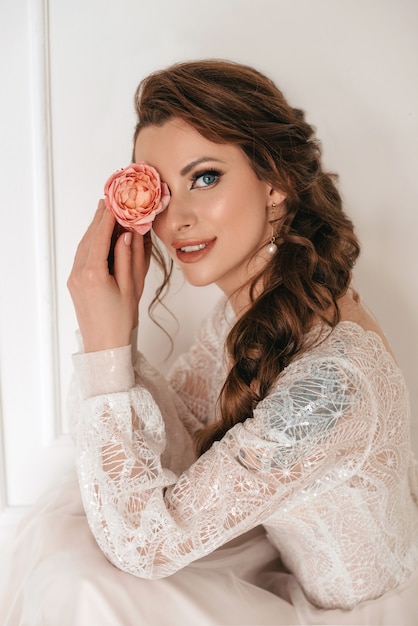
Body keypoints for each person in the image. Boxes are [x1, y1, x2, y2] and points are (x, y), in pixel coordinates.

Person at [1, 59, 418, 626]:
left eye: (205, 177)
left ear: (276, 183)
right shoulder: (252, 310)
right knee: (67, 546)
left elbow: (144, 545)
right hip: (282, 562)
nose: (178, 221)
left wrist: (103, 352)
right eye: (160, 194)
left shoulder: (332, 386)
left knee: (81, 588)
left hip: (359, 613)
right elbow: (181, 454)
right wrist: (115, 334)